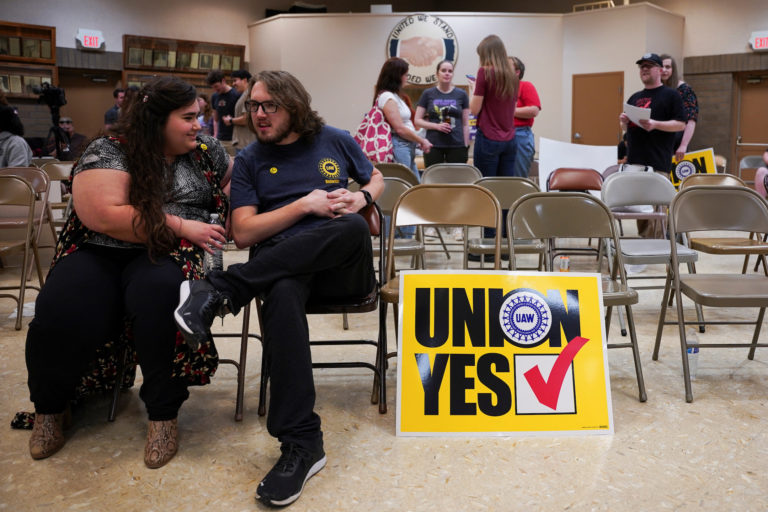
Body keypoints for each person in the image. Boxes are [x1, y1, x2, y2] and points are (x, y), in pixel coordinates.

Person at [174, 70, 383, 506]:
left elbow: (375, 178)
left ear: (295, 105)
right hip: (281, 271)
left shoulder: (334, 138)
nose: (259, 114)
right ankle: (303, 444)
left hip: (342, 266)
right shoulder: (249, 159)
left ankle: (220, 290)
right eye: (253, 105)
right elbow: (244, 232)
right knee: (283, 291)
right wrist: (304, 204)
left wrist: (363, 199)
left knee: (349, 228)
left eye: (270, 105)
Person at [25, 76, 232, 469]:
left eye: (200, 116)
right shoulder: (110, 150)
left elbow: (235, 184)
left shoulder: (205, 151)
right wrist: (182, 225)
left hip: (168, 255)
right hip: (103, 249)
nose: (198, 125)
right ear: (156, 119)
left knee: (161, 299)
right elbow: (103, 215)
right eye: (188, 117)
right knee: (61, 306)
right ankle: (50, 409)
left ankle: (162, 416)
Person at [619, 52, 685, 240]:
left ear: (659, 70)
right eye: (642, 67)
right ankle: (643, 248)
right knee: (640, 210)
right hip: (635, 163)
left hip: (657, 162)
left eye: (649, 66)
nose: (644, 69)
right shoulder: (634, 97)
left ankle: (656, 250)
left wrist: (656, 124)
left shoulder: (671, 96)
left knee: (656, 212)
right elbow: (627, 129)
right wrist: (623, 121)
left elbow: (681, 124)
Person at [374, 57, 431, 178]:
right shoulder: (387, 96)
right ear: (396, 76)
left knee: (414, 185)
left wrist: (416, 139)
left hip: (406, 145)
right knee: (405, 183)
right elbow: (399, 128)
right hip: (400, 145)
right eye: (405, 75)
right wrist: (421, 140)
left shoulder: (396, 96)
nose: (407, 78)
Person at [414, 60, 470, 168]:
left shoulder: (462, 94)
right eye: (443, 70)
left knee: (457, 179)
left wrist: (465, 145)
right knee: (434, 179)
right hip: (433, 144)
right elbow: (417, 120)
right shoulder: (428, 93)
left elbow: (465, 123)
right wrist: (436, 126)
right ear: (437, 73)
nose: (447, 73)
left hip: (457, 145)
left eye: (450, 71)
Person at [660, 53, 699, 161]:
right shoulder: (656, 90)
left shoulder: (685, 89)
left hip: (677, 145)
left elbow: (691, 120)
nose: (664, 70)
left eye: (667, 67)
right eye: (661, 67)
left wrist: (683, 145)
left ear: (673, 69)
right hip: (660, 145)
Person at [509, 56, 541, 178]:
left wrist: (508, 111)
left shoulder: (525, 86)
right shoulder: (498, 89)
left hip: (519, 135)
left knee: (517, 177)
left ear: (517, 72)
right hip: (500, 134)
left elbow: (534, 110)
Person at [223, 69, 256, 153]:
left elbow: (246, 119)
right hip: (243, 144)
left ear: (244, 80)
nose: (233, 84)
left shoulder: (249, 95)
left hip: (246, 145)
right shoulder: (244, 95)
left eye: (235, 80)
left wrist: (230, 120)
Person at [207, 70, 240, 142]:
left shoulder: (236, 94)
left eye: (216, 86)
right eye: (212, 87)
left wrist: (232, 120)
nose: (215, 89)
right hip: (220, 138)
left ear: (223, 81)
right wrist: (215, 135)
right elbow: (215, 119)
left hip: (233, 139)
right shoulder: (214, 96)